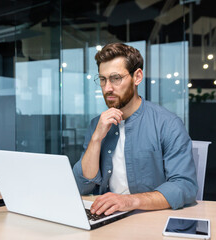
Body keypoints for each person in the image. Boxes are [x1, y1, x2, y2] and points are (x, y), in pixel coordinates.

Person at [72, 43, 198, 216]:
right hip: (105, 217)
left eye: (116, 78)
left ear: (137, 76)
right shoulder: (97, 124)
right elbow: (82, 186)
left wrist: (129, 201)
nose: (107, 88)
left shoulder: (168, 124)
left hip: (149, 218)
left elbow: (185, 186)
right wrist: (96, 139)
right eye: (102, 79)